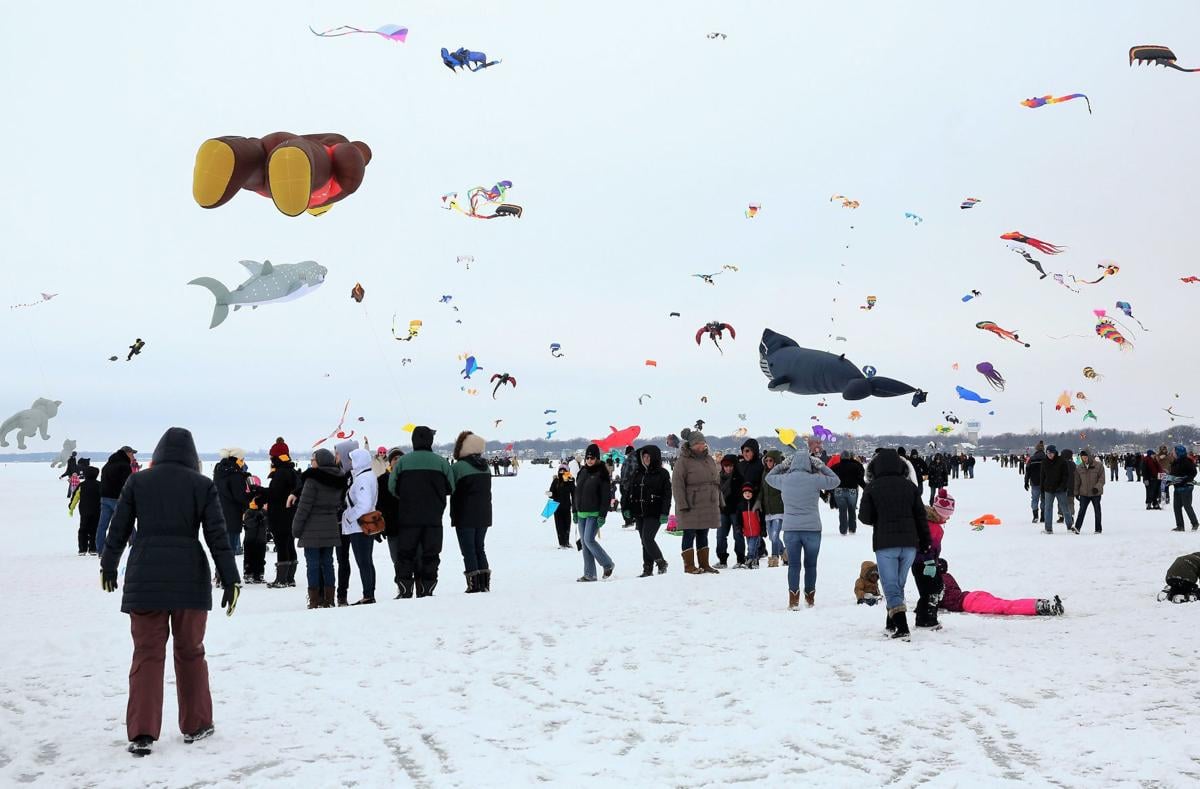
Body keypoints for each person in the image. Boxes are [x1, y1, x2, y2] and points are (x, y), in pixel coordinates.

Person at [99, 427, 240, 757]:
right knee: (190, 651)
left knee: (147, 653)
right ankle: (197, 724)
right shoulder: (201, 485)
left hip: (145, 576)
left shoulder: (138, 482)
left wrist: (108, 564)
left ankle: (142, 732)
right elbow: (217, 536)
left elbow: (118, 527)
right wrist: (231, 577)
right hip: (190, 577)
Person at [858, 448, 931, 640]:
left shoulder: (872, 487)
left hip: (885, 543)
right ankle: (891, 623)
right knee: (898, 584)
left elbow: (864, 517)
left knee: (891, 585)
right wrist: (925, 541)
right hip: (909, 544)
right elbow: (921, 517)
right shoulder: (910, 487)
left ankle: (902, 628)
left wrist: (879, 516)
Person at [764, 440, 840, 610]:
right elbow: (835, 480)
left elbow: (769, 477)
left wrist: (782, 465)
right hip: (812, 529)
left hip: (791, 529)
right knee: (811, 565)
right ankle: (810, 598)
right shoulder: (815, 479)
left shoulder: (784, 480)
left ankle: (793, 599)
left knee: (794, 565)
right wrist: (820, 465)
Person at [389, 426, 455, 597]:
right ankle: (427, 588)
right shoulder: (441, 462)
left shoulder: (403, 462)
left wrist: (404, 497)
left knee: (405, 554)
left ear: (413, 441)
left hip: (408, 516)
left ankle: (405, 589)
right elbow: (451, 487)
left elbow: (392, 486)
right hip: (433, 517)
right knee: (431, 554)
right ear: (430, 441)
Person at [293, 449, 344, 608]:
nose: (311, 462)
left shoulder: (312, 480)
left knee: (313, 565)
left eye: (313, 459)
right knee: (328, 563)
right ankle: (329, 599)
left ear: (320, 461)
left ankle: (314, 600)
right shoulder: (339, 478)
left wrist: (296, 529)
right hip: (330, 526)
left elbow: (304, 507)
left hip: (311, 529)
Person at [939, 558, 1064, 616]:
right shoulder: (947, 577)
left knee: (1005, 607)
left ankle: (1042, 606)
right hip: (973, 596)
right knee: (1004, 603)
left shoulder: (939, 581)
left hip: (969, 602)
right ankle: (1043, 604)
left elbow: (941, 599)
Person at [671, 429, 720, 574]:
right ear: (691, 445)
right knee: (689, 534)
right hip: (690, 505)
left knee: (703, 533)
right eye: (697, 443)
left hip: (707, 504)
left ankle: (704, 564)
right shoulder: (683, 462)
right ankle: (689, 565)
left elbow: (716, 481)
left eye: (702, 442)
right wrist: (682, 504)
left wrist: (719, 500)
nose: (701, 445)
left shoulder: (708, 459)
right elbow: (677, 485)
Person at [450, 431, 493, 593]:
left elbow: (449, 487)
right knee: (479, 548)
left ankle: (474, 584)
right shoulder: (486, 467)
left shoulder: (458, 467)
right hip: (484, 513)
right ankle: (484, 583)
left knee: (468, 550)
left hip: (464, 514)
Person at [341, 447, 380, 605]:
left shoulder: (362, 479)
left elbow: (364, 504)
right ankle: (369, 593)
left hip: (360, 526)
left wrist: (349, 517)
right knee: (367, 561)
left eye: (352, 459)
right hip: (365, 524)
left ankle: (368, 595)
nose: (350, 462)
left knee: (363, 561)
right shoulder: (368, 475)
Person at [573, 443, 615, 581]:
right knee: (585, 545)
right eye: (587, 458)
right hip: (581, 513)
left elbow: (606, 496)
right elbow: (576, 493)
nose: (589, 460)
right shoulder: (582, 471)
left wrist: (602, 515)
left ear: (597, 458)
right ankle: (589, 574)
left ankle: (607, 564)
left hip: (594, 513)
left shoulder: (602, 473)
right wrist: (574, 511)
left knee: (588, 540)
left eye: (592, 458)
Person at [913, 491, 954, 629]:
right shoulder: (934, 527)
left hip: (922, 563)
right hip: (924, 564)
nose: (948, 518)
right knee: (931, 592)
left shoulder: (926, 522)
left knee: (933, 589)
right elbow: (926, 547)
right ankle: (926, 620)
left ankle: (924, 615)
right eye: (947, 515)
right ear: (940, 513)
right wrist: (929, 562)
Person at [630, 444, 671, 577]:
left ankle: (661, 562)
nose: (646, 459)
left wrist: (665, 512)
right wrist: (627, 507)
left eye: (649, 456)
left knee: (647, 538)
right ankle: (647, 569)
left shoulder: (662, 473)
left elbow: (667, 495)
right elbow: (630, 491)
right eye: (644, 456)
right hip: (639, 511)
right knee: (644, 541)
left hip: (655, 511)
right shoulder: (638, 472)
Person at [265, 450, 299, 588]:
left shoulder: (280, 473)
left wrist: (259, 491)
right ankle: (290, 578)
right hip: (291, 514)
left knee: (281, 545)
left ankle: (281, 579)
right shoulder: (292, 471)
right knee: (289, 544)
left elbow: (275, 494)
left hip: (279, 515)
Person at [332, 438, 359, 606]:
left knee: (346, 560)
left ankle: (342, 594)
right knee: (341, 560)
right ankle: (339, 595)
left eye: (337, 454)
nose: (335, 457)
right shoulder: (335, 473)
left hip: (350, 522)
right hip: (337, 522)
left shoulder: (353, 475)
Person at [97, 445, 137, 553]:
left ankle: (100, 549)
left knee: (102, 525)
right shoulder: (124, 466)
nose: (133, 456)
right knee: (127, 521)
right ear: (127, 453)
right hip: (117, 499)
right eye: (132, 454)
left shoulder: (107, 465)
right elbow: (127, 484)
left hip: (104, 498)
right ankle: (135, 545)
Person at [377, 447, 405, 597]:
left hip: (409, 525)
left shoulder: (410, 477)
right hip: (391, 525)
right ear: (390, 462)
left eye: (400, 458)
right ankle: (402, 586)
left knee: (411, 557)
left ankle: (413, 586)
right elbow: (379, 504)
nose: (398, 461)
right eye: (395, 458)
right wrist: (380, 525)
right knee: (396, 558)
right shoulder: (382, 479)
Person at [212, 448, 250, 557]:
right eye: (242, 459)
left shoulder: (220, 471)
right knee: (231, 549)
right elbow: (240, 496)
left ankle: (221, 568)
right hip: (233, 516)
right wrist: (251, 496)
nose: (243, 462)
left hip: (219, 513)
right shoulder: (235, 474)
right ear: (237, 459)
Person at [715, 454, 745, 568]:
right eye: (726, 466)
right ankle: (722, 560)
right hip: (723, 511)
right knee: (720, 536)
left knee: (738, 535)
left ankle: (740, 560)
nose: (728, 468)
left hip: (736, 511)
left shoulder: (739, 478)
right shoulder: (719, 477)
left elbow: (742, 495)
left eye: (730, 466)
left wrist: (739, 507)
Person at [1039, 445, 1073, 534]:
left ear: (1055, 453)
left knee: (1065, 508)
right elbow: (1042, 476)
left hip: (1060, 490)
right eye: (1048, 453)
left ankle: (1070, 526)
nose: (1049, 455)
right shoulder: (1044, 462)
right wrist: (1042, 490)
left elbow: (1066, 476)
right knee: (1048, 509)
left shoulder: (1061, 461)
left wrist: (1062, 487)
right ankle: (1048, 528)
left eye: (1051, 453)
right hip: (1048, 489)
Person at [829, 452, 866, 535]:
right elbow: (860, 479)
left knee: (842, 510)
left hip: (838, 490)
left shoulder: (835, 467)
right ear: (849, 457)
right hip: (852, 490)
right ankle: (852, 529)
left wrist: (830, 490)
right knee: (852, 510)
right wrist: (866, 488)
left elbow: (830, 479)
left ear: (841, 458)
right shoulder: (855, 466)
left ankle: (843, 530)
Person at [761, 451, 786, 567]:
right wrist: (759, 502)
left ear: (776, 461)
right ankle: (785, 553)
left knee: (775, 535)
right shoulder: (764, 473)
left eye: (770, 460)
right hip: (768, 509)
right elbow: (762, 490)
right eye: (766, 460)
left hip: (778, 509)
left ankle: (774, 558)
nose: (768, 462)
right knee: (771, 537)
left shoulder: (781, 474)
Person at [241, 483, 269, 584]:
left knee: (260, 558)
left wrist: (263, 517)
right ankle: (248, 573)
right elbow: (248, 523)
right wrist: (256, 518)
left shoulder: (264, 512)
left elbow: (267, 524)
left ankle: (259, 574)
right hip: (250, 540)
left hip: (261, 540)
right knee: (249, 557)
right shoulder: (248, 512)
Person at [1166, 445, 1198, 532]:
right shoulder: (1175, 462)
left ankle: (1195, 523)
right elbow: (1173, 474)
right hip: (1177, 487)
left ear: (1178, 452)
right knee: (1176, 507)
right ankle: (1180, 526)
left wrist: (1186, 479)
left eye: (1174, 452)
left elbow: (1193, 472)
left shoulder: (1187, 461)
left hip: (1186, 488)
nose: (1172, 453)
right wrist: (1168, 480)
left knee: (1187, 506)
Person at [1073, 449, 1105, 534]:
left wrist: (1097, 488)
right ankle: (1077, 527)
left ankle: (1098, 528)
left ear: (1089, 457)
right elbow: (1077, 481)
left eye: (1086, 457)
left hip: (1095, 493)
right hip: (1084, 493)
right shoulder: (1079, 467)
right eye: (1083, 457)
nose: (1084, 459)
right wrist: (1076, 492)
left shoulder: (1099, 466)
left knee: (1097, 511)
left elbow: (1102, 479)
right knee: (1081, 511)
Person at [734, 484, 763, 569]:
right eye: (745, 493)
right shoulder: (740, 505)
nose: (747, 494)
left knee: (751, 547)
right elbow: (738, 518)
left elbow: (761, 517)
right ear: (743, 494)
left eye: (749, 493)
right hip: (746, 530)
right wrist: (739, 527)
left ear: (752, 494)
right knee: (752, 547)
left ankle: (750, 559)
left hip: (756, 530)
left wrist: (763, 528)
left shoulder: (756, 504)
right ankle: (755, 562)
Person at [76, 464, 101, 555]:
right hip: (97, 511)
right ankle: (93, 548)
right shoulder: (100, 485)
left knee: (83, 529)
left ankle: (82, 549)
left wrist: (71, 507)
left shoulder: (81, 485)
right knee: (95, 529)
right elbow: (104, 496)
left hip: (84, 511)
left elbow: (75, 497)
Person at [548, 465, 575, 548]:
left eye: (564, 471)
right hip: (557, 507)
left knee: (567, 524)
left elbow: (574, 493)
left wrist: (574, 505)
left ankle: (566, 542)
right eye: (560, 471)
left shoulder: (570, 481)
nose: (562, 472)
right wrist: (550, 494)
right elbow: (552, 492)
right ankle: (561, 543)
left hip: (567, 507)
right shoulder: (556, 481)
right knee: (559, 526)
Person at [1024, 441, 1047, 522]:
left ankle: (1035, 516)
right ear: (1043, 449)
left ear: (1036, 449)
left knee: (1034, 499)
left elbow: (1028, 471)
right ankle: (1043, 516)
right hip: (1045, 483)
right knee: (1044, 500)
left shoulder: (1032, 459)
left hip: (1034, 482)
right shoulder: (1046, 458)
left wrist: (1026, 482)